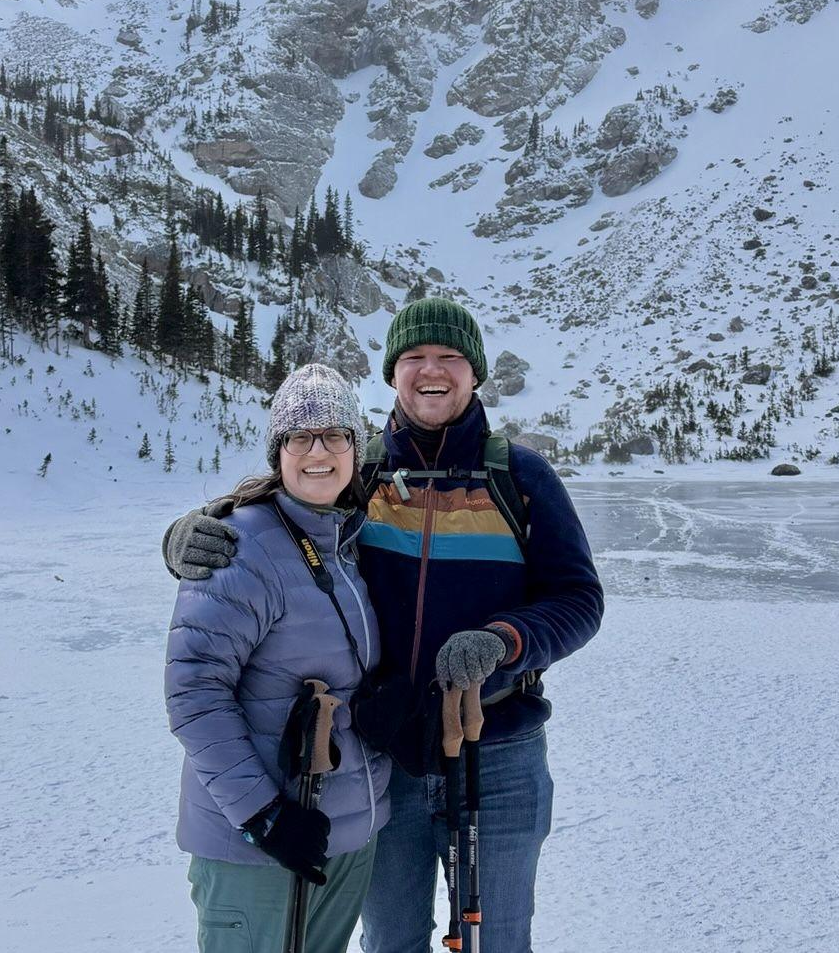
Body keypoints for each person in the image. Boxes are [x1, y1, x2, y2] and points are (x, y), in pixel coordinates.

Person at [165, 298, 604, 953]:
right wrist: (184, 535)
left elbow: (578, 598)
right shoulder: (360, 470)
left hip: (498, 748)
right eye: (414, 358)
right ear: (393, 374)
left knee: (496, 942)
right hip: (384, 753)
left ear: (475, 372)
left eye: (449, 356)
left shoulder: (520, 476)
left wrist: (504, 639)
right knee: (392, 938)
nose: (432, 370)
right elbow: (278, 505)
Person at [165, 363, 391, 953]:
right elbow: (195, 693)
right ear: (279, 452)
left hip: (340, 836)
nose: (318, 450)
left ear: (355, 450)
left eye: (335, 435)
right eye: (300, 436)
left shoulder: (347, 541)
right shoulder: (241, 545)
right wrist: (263, 816)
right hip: (258, 848)